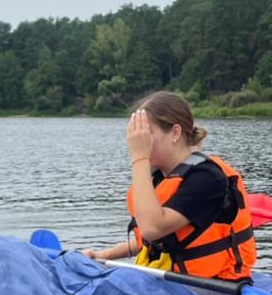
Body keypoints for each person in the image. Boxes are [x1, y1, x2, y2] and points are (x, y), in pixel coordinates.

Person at [80, 91, 257, 281]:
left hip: (213, 288)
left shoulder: (207, 179)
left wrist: (139, 157)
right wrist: (102, 255)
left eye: (146, 133)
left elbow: (152, 229)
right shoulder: (159, 178)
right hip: (171, 283)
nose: (139, 141)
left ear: (175, 133)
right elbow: (151, 241)